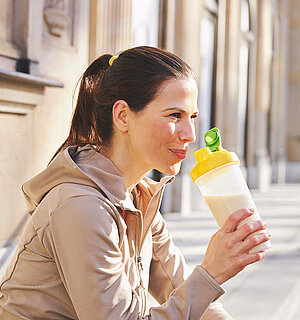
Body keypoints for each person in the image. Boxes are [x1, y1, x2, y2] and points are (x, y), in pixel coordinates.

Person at [0, 46, 270, 319]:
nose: (190, 134)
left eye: (193, 117)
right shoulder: (81, 206)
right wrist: (211, 272)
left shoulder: (138, 196)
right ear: (123, 116)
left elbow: (181, 287)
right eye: (175, 115)